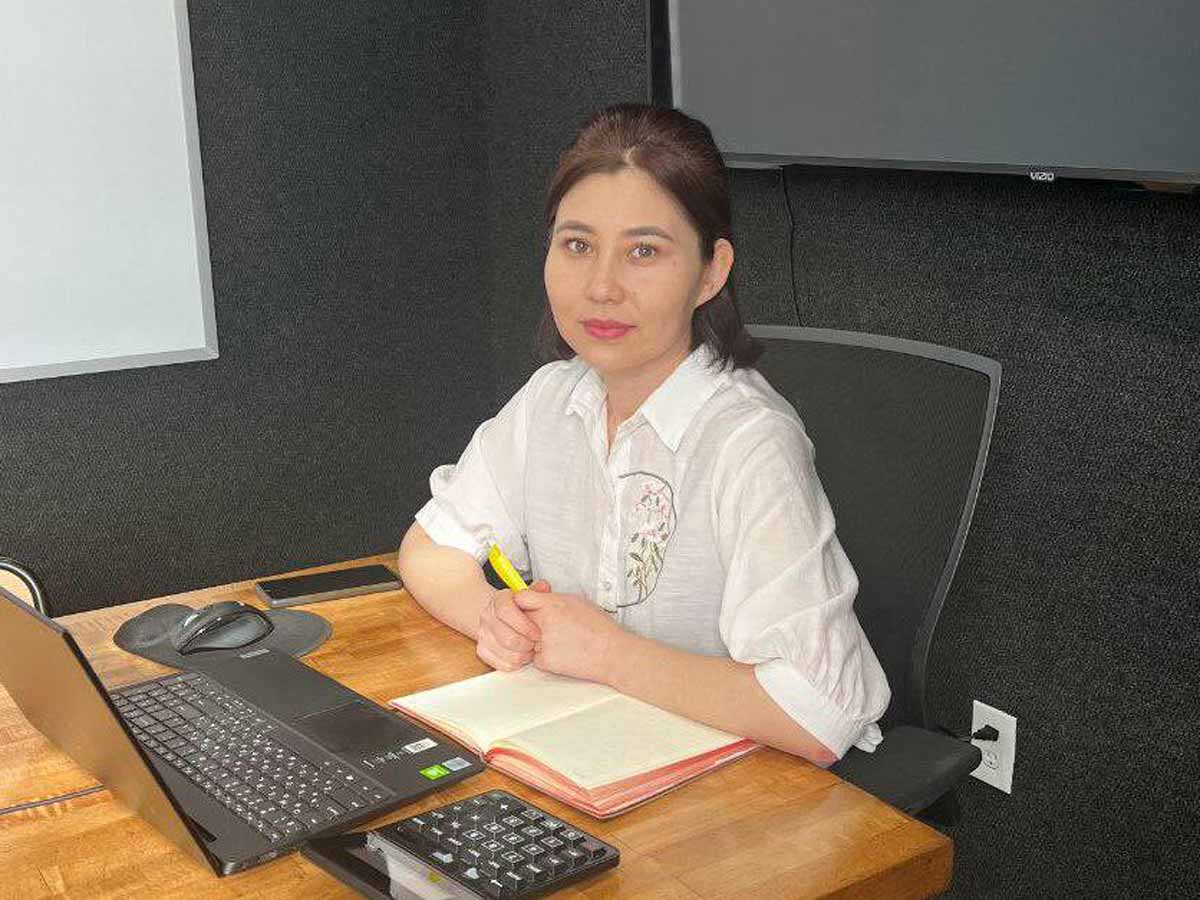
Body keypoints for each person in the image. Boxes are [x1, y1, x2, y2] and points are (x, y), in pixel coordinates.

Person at [397, 103, 889, 766]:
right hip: (589, 751)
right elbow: (430, 549)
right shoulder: (551, 400)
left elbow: (817, 714)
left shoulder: (749, 441)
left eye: (644, 252)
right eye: (578, 245)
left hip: (739, 786)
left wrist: (605, 654)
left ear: (711, 272)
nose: (602, 287)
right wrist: (492, 614)